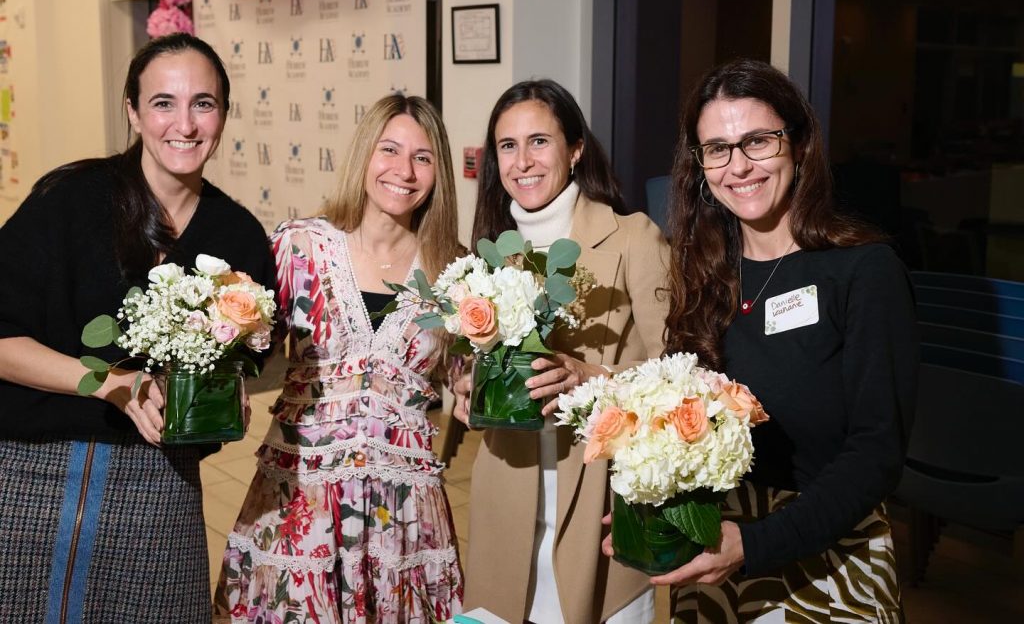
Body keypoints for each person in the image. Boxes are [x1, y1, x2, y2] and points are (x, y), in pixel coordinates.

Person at [0, 32, 275, 622]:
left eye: (204, 103)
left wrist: (227, 396)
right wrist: (111, 383)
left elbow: (241, 365)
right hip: (33, 474)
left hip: (159, 488)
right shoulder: (71, 201)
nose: (186, 123)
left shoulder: (239, 238)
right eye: (163, 103)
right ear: (132, 110)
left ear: (224, 114)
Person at [652, 59, 917, 621]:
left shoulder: (864, 272)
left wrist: (757, 544)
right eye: (717, 149)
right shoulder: (702, 275)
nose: (738, 166)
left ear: (798, 145)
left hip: (830, 557)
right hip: (714, 549)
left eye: (758, 141)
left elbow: (877, 452)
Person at [216, 95, 464, 623]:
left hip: (401, 511)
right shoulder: (299, 247)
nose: (404, 170)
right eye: (389, 149)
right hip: (303, 496)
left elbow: (468, 382)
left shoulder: (455, 270)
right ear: (364, 156)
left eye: (423, 157)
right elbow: (247, 351)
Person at [455, 79, 670, 623]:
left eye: (539, 142)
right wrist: (461, 387)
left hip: (599, 502)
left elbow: (682, 375)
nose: (522, 161)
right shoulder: (488, 248)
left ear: (575, 150)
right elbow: (472, 363)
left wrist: (593, 376)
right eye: (507, 146)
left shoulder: (633, 238)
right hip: (506, 496)